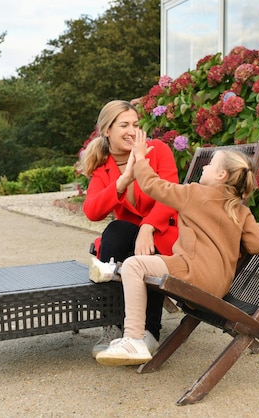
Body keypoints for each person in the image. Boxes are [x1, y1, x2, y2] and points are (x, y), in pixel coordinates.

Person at [95, 130, 259, 366]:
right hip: (218, 286)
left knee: (135, 265)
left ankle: (134, 339)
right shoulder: (240, 210)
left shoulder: (193, 193)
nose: (205, 167)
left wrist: (140, 157)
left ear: (221, 174)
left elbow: (151, 185)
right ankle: (113, 275)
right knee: (146, 263)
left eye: (210, 164)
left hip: (192, 273)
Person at [78, 100, 179, 358]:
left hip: (163, 234)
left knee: (142, 250)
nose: (132, 131)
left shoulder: (157, 151)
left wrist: (147, 227)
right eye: (123, 125)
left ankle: (149, 333)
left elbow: (171, 195)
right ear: (107, 130)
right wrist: (123, 180)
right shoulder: (104, 168)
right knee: (116, 233)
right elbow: (91, 210)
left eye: (135, 124)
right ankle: (113, 326)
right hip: (126, 241)